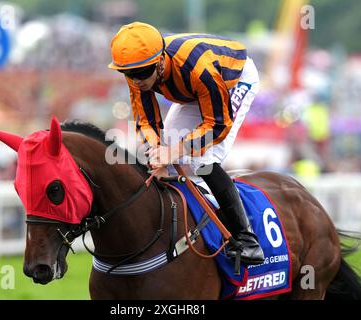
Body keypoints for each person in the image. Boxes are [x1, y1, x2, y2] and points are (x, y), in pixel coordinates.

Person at [108, 22, 264, 265]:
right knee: (163, 160)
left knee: (203, 160)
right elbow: (147, 121)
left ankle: (247, 239)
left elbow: (217, 126)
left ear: (160, 61)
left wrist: (176, 150)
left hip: (230, 80)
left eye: (142, 73)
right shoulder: (137, 69)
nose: (137, 80)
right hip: (192, 90)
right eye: (129, 74)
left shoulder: (198, 68)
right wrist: (157, 152)